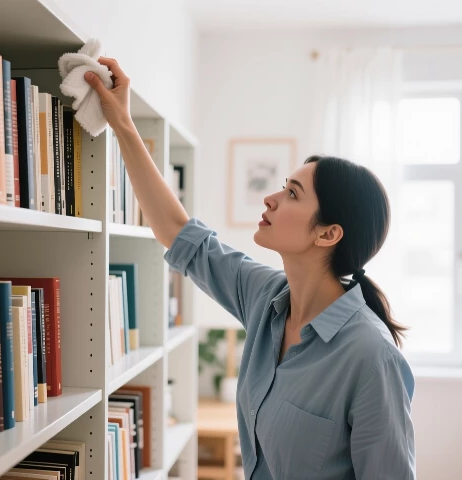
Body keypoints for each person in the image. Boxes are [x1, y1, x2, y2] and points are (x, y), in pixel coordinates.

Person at [85, 58, 416, 480]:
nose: (271, 199)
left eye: (292, 194)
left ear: (328, 234)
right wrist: (123, 124)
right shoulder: (267, 298)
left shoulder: (371, 357)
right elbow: (177, 232)